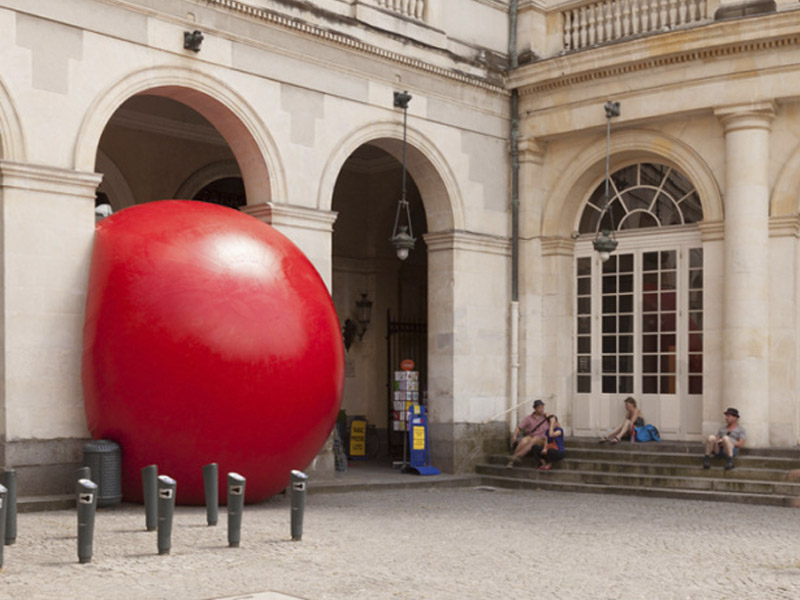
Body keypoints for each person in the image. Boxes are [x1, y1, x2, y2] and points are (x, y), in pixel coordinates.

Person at [507, 399, 549, 467]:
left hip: (543, 438)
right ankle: (512, 462)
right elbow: (519, 427)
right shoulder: (529, 418)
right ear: (534, 408)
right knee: (523, 441)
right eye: (539, 408)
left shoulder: (546, 417)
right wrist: (514, 436)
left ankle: (515, 457)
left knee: (534, 439)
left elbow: (556, 425)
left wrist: (549, 417)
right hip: (531, 436)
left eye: (542, 407)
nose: (541, 409)